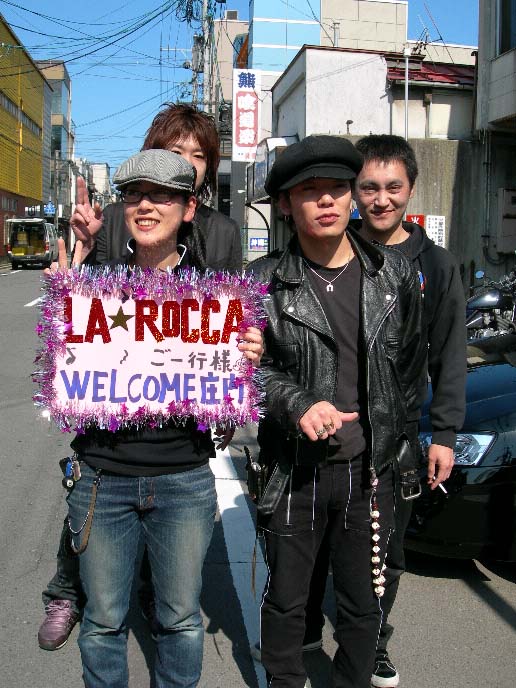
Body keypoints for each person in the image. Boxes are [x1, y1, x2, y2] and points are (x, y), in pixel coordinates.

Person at [45, 149, 261, 688]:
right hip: (102, 477)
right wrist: (65, 291)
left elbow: (228, 382)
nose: (146, 205)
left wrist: (246, 355)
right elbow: (63, 372)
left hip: (184, 479)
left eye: (162, 195)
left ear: (187, 209)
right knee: (102, 621)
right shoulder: (95, 283)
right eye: (135, 195)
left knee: (180, 620)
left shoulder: (215, 295)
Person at [247, 135, 425, 688]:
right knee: (286, 601)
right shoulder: (260, 282)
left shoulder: (394, 275)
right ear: (285, 204)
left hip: (370, 472)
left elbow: (410, 372)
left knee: (364, 604)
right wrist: (296, 403)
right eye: (309, 190)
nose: (326, 200)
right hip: (293, 470)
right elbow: (245, 373)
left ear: (351, 196)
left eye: (337, 188)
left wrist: (403, 453)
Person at [297, 134, 466, 688]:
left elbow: (449, 354)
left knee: (385, 551)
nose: (381, 199)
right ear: (354, 192)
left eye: (393, 187)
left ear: (411, 189)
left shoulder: (434, 265)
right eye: (368, 187)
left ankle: (374, 644)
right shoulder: (328, 248)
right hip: (324, 432)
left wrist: (445, 434)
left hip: (395, 439)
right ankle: (303, 629)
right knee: (314, 543)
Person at [72, 102, 242, 271]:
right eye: (176, 152)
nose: (187, 163)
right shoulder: (113, 218)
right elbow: (93, 280)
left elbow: (231, 286)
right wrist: (87, 245)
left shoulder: (225, 230)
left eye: (198, 156)